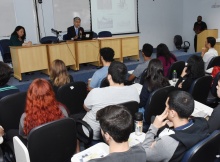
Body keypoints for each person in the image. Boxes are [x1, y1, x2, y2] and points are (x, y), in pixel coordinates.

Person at [142, 90, 209, 161]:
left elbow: (143, 154)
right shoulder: (202, 123)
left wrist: (154, 127)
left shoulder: (167, 143)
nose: (165, 109)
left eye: (166, 106)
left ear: (173, 113)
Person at [82, 61, 139, 140]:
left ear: (109, 76)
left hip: (95, 133)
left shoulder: (96, 92)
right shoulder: (134, 90)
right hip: (121, 129)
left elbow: (86, 108)